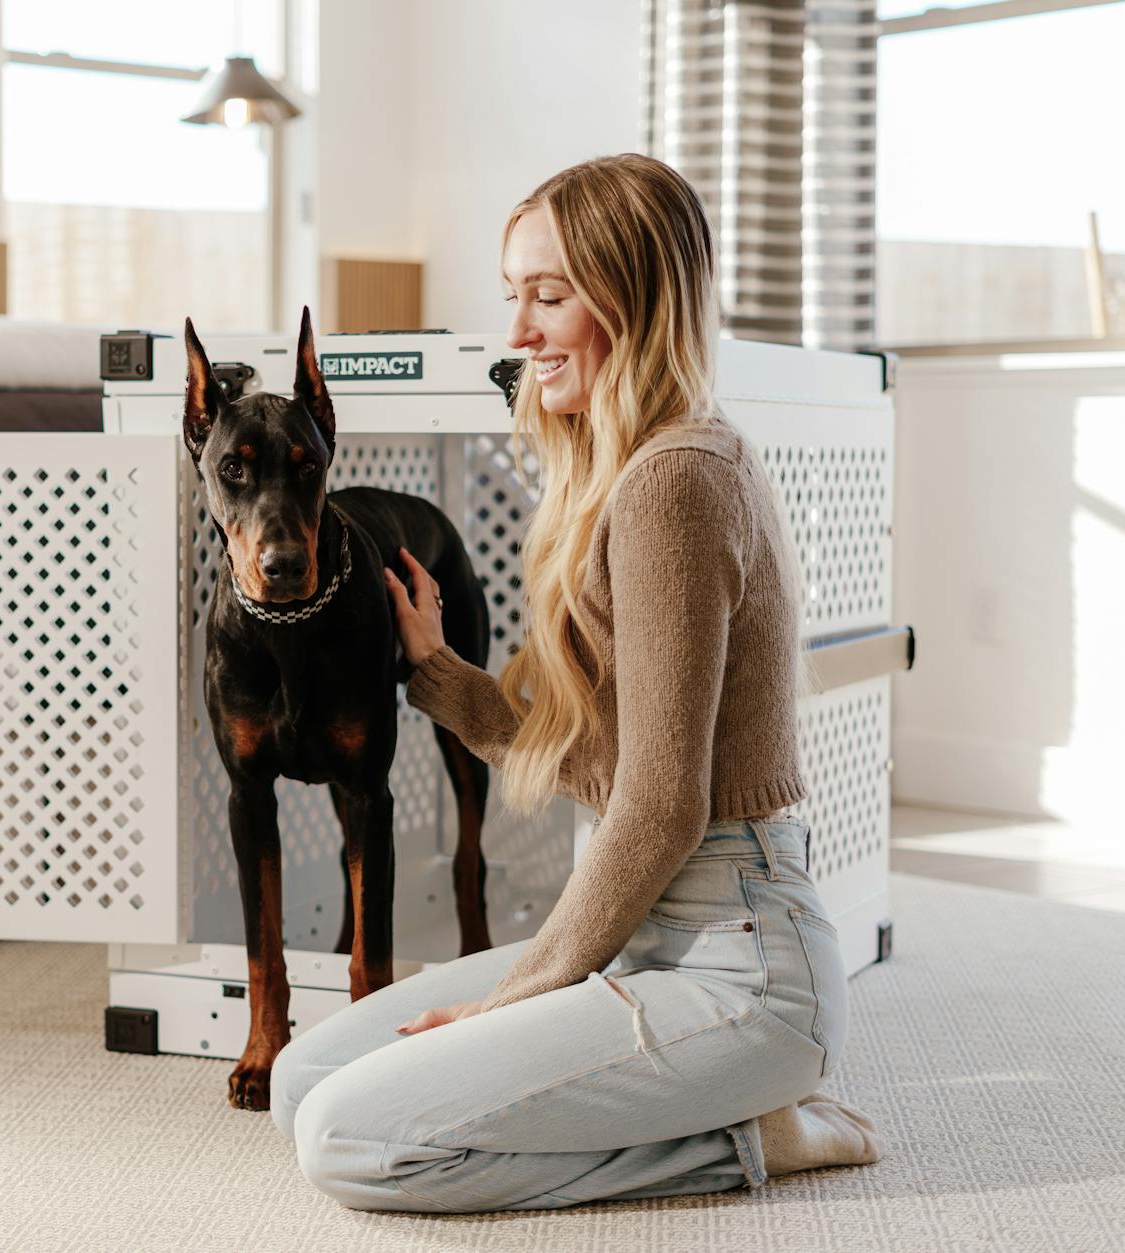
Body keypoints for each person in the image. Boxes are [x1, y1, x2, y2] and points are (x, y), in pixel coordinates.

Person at [265, 154, 886, 1213]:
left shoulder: (676, 480)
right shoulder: (623, 471)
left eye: (548, 297)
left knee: (348, 1141)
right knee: (301, 1082)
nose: (518, 332)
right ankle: (682, 1100)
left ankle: (752, 1133)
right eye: (514, 294)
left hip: (739, 970)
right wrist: (435, 668)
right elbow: (594, 759)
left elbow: (661, 807)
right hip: (645, 940)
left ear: (633, 298)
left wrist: (516, 997)